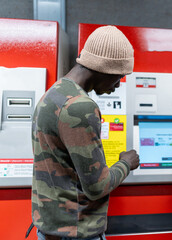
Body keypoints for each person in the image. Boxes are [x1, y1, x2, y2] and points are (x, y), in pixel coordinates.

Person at [30, 26, 139, 240]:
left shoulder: (56, 92)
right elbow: (97, 187)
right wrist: (126, 163)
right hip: (75, 231)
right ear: (103, 69)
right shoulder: (80, 106)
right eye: (118, 76)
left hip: (53, 226)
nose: (118, 85)